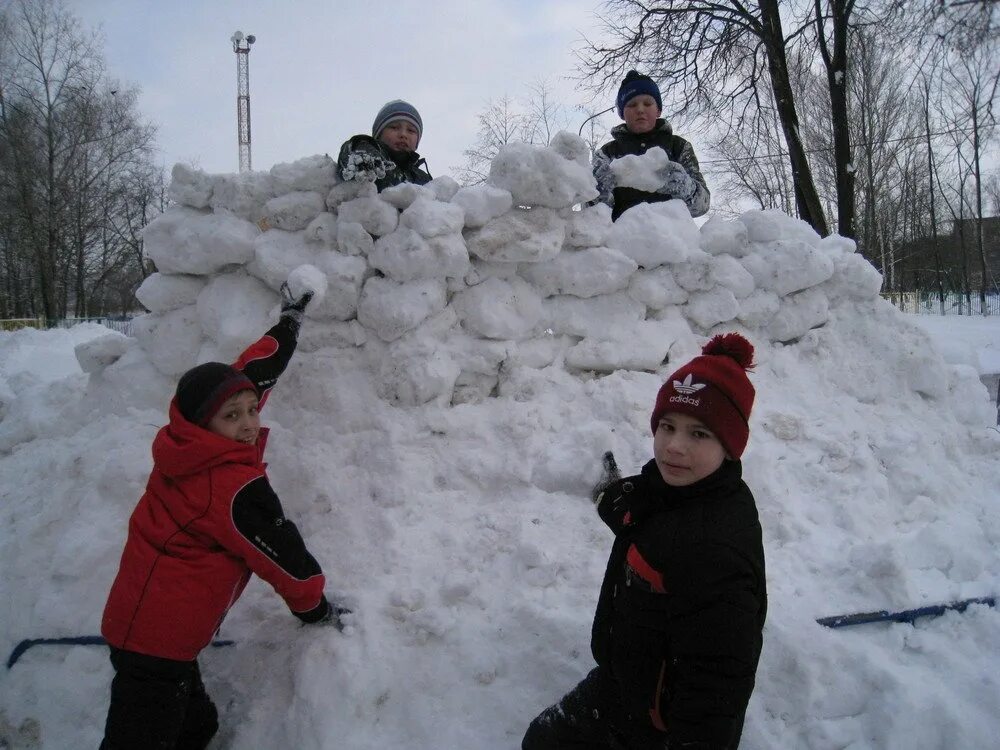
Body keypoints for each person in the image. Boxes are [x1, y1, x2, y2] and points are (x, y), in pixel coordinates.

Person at [99, 283, 348, 750]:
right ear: (205, 421)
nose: (250, 423)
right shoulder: (232, 488)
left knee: (196, 727)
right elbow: (281, 553)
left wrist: (288, 325)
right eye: (234, 416)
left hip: (146, 623)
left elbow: (248, 374)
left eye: (252, 410)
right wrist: (315, 610)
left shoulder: (185, 442)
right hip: (158, 645)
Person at [522, 333, 767, 750]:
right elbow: (642, 518)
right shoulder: (674, 490)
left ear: (730, 445)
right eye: (667, 427)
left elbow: (717, 688)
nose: (674, 446)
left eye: (699, 434)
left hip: (659, 723)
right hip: (625, 684)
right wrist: (610, 494)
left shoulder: (714, 553)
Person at [593, 70, 710, 221]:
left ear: (658, 110)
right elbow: (593, 216)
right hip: (620, 240)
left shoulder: (678, 147)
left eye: (647, 103)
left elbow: (702, 206)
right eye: (632, 104)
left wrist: (685, 187)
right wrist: (598, 193)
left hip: (673, 239)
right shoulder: (607, 153)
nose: (640, 109)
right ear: (622, 113)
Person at [337, 99, 432, 192]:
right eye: (394, 127)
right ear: (379, 135)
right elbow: (350, 152)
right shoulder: (370, 154)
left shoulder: (423, 178)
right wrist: (363, 151)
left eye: (411, 130)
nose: (403, 134)